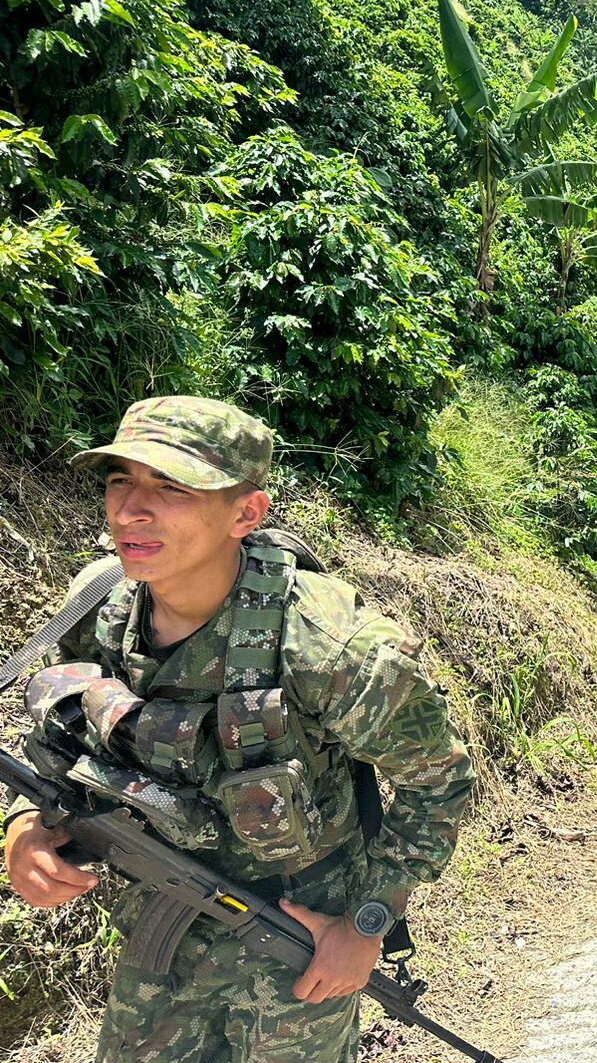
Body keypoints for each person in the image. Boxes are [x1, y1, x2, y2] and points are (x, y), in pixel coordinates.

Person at [2, 396, 475, 1062]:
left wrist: (366, 923)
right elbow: (58, 745)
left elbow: (441, 782)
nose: (130, 510)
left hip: (297, 947)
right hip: (156, 936)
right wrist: (26, 831)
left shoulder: (328, 645)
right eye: (120, 481)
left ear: (246, 512)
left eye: (170, 487)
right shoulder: (97, 610)